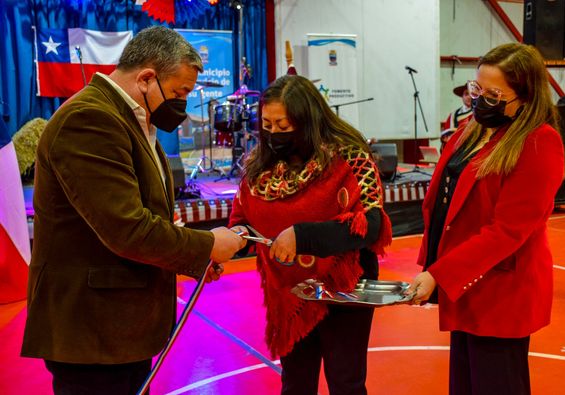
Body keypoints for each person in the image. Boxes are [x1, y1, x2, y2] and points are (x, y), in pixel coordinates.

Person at [21, 26, 245, 395]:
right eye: (179, 93)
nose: (183, 105)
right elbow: (126, 229)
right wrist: (206, 245)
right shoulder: (90, 119)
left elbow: (143, 218)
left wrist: (188, 259)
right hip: (92, 331)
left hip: (119, 329)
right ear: (146, 78)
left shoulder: (133, 122)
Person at [407, 43, 565, 395]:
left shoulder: (539, 143)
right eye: (477, 89)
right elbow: (442, 203)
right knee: (465, 385)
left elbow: (508, 231)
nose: (480, 100)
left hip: (500, 291)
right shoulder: (471, 131)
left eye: (494, 94)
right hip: (464, 284)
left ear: (524, 99)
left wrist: (439, 273)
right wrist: (432, 264)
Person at [228, 75, 392, 395]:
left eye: (284, 125)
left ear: (307, 120)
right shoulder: (258, 166)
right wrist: (231, 238)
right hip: (289, 291)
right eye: (267, 124)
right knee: (296, 382)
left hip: (344, 285)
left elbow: (370, 225)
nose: (274, 133)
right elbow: (243, 221)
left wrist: (302, 237)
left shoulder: (350, 157)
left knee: (345, 380)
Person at [441, 84, 473, 150]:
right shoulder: (453, 114)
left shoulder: (478, 113)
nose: (469, 97)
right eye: (466, 94)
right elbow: (445, 137)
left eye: (471, 94)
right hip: (455, 149)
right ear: (462, 97)